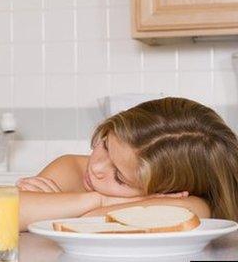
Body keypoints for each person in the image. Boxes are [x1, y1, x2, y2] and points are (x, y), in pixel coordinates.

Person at [16, 97, 238, 230]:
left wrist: (61, 208)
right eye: (104, 144)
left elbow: (87, 223)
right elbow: (8, 213)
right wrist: (101, 200)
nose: (96, 168)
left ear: (169, 191)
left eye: (119, 177)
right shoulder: (72, 168)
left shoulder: (193, 205)